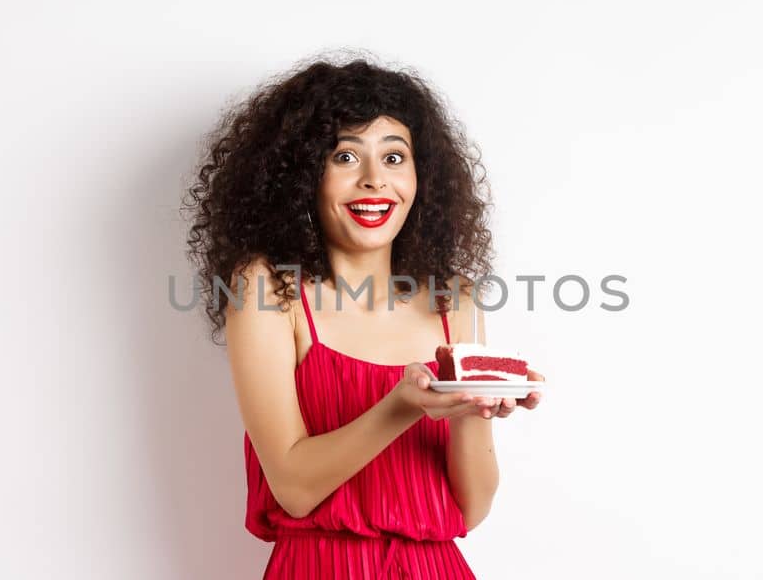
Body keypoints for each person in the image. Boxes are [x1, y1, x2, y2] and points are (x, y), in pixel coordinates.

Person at [184, 55, 545, 579]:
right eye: (346, 157)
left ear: (422, 176)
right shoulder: (268, 288)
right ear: (305, 173)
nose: (375, 180)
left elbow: (471, 509)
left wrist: (473, 407)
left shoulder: (454, 300)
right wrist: (403, 404)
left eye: (394, 158)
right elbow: (295, 487)